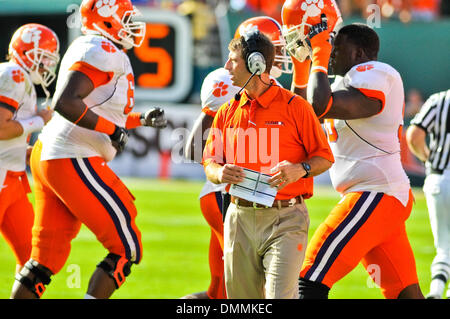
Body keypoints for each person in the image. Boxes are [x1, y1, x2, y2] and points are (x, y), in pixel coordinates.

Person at [10, 0, 167, 299]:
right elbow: (67, 102)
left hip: (54, 152)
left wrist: (136, 121)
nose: (132, 23)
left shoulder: (99, 48)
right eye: (125, 17)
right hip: (71, 155)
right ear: (106, 19)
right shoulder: (102, 50)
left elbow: (94, 110)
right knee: (126, 247)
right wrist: (114, 131)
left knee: (44, 261)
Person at [296, 18, 424, 298]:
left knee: (308, 279)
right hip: (380, 197)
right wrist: (301, 66)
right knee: (405, 294)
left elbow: (320, 104)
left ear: (358, 54)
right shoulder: (343, 82)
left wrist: (318, 54)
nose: (330, 54)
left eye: (336, 49)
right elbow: (302, 112)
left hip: (375, 193)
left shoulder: (378, 73)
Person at [202, 30, 334, 299]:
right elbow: (209, 161)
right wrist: (219, 172)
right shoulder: (228, 110)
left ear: (256, 64)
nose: (227, 67)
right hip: (239, 218)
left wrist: (300, 169)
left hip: (286, 219)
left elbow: (324, 157)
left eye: (233, 60)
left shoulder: (296, 107)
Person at [182, 16, 293, 299]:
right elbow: (193, 148)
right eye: (273, 48)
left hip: (251, 198)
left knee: (220, 292)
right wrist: (234, 162)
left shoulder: (271, 89)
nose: (279, 55)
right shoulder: (228, 81)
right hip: (226, 195)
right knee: (256, 288)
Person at [0, 23, 58, 276]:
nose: (46, 65)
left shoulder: (20, 79)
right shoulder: (13, 74)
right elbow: (1, 128)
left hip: (12, 179)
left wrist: (23, 150)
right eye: (42, 58)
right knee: (33, 261)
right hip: (2, 178)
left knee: (33, 262)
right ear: (26, 51)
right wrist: (40, 120)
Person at [406, 89, 450, 299]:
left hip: (439, 179)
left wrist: (427, 158)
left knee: (443, 246)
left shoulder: (439, 99)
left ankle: (436, 291)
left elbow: (413, 135)